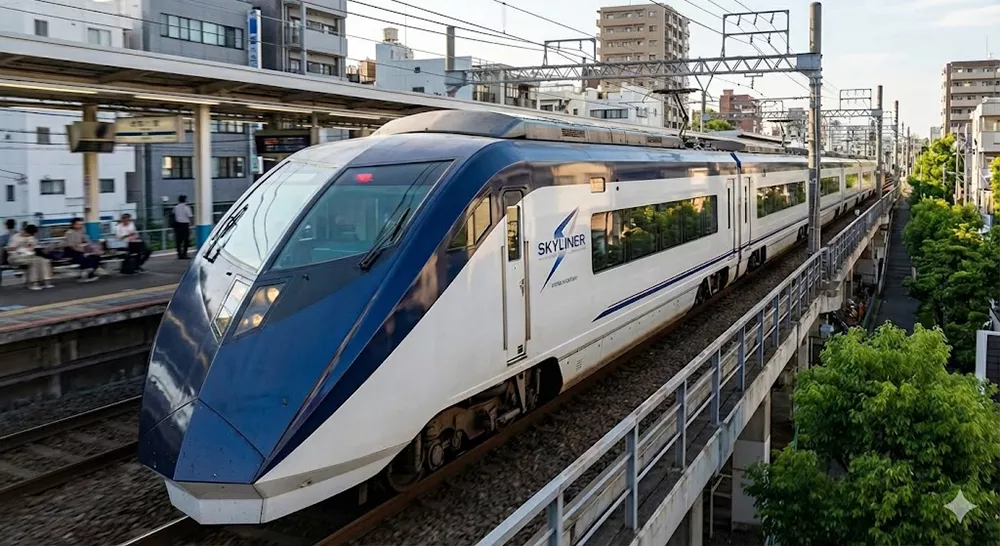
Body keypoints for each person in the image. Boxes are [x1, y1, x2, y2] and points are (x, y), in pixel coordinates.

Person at [5, 224, 53, 290]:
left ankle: (45, 280)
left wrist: (29, 245)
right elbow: (9, 249)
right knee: (33, 262)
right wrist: (18, 246)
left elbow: (31, 248)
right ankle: (33, 282)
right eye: (29, 234)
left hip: (28, 256)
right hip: (15, 257)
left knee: (43, 261)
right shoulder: (16, 237)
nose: (30, 236)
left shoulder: (32, 238)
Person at [64, 218, 101, 282]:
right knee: (84, 257)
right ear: (73, 225)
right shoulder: (69, 233)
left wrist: (89, 248)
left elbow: (88, 241)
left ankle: (89, 273)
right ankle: (86, 274)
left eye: (81, 224)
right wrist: (83, 249)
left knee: (96, 256)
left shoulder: (82, 231)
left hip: (83, 249)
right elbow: (71, 245)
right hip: (73, 251)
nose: (80, 226)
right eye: (78, 224)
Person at [172, 195, 193, 260]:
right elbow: (190, 217)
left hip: (177, 225)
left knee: (178, 240)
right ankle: (184, 254)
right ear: (185, 200)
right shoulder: (187, 208)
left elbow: (173, 215)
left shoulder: (175, 207)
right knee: (186, 240)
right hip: (185, 225)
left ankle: (179, 254)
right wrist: (191, 225)